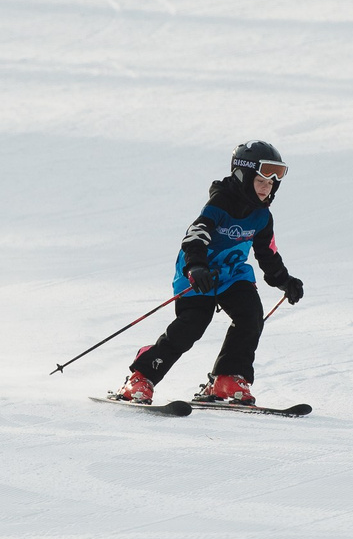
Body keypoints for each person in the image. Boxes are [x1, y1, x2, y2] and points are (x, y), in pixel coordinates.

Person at [119, 141, 305, 406]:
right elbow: (195, 236)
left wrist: (285, 281)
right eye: (262, 181)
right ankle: (142, 376)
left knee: (250, 316)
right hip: (199, 274)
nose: (267, 189)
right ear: (243, 176)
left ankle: (227, 377)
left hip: (233, 276)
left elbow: (267, 253)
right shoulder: (220, 203)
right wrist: (196, 266)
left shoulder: (263, 216)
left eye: (272, 184)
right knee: (192, 325)